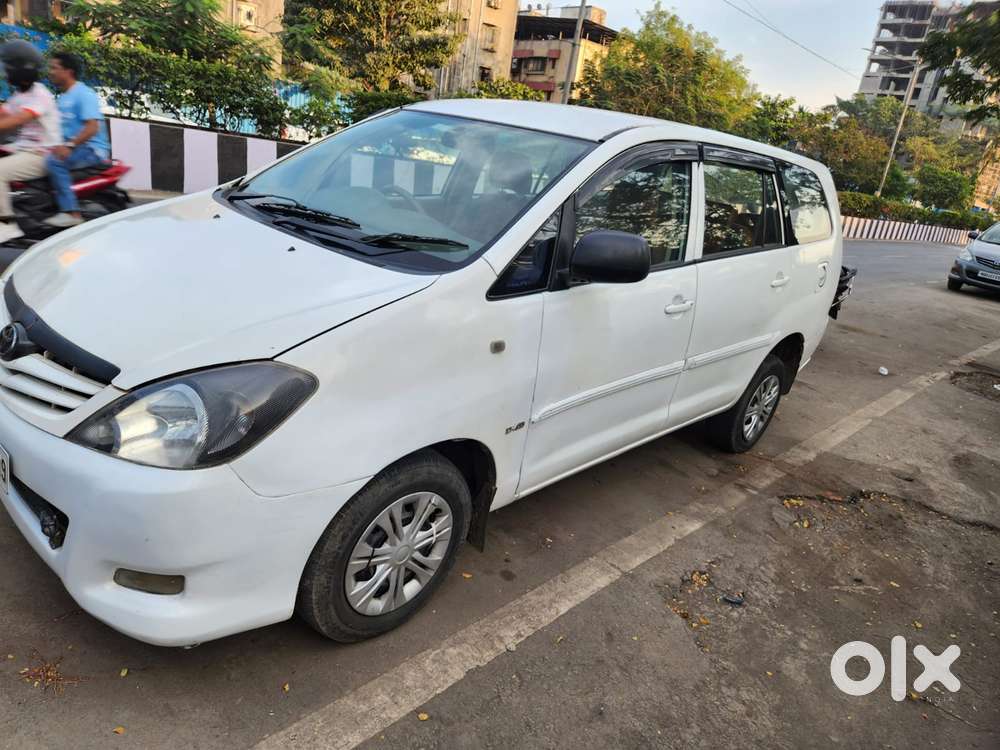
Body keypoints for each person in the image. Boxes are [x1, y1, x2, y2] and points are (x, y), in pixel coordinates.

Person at [0, 39, 61, 243]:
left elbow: (19, 118)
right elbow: (4, 113)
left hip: (42, 153)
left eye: (8, 66)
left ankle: (6, 224)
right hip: (23, 149)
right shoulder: (19, 94)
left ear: (20, 69)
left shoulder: (40, 95)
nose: (5, 71)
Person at [45, 50, 111, 229]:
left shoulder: (83, 94)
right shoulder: (63, 97)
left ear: (68, 71)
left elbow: (92, 127)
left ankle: (71, 212)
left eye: (54, 68)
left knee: (55, 162)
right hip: (76, 147)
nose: (50, 71)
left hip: (92, 149)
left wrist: (69, 146)